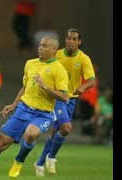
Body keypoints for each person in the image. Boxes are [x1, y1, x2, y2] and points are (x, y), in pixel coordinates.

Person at [0, 37, 69, 180]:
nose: (40, 48)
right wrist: (14, 105)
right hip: (23, 109)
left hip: (43, 114)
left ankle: (19, 159)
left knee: (31, 134)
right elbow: (25, 87)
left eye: (44, 46)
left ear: (53, 50)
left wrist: (45, 86)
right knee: (0, 143)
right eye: (39, 45)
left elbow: (64, 96)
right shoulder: (30, 64)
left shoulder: (59, 70)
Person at [34, 28, 96, 177]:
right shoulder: (57, 55)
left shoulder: (83, 59)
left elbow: (92, 81)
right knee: (66, 128)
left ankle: (40, 162)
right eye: (68, 38)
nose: (70, 41)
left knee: (56, 132)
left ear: (79, 42)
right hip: (57, 98)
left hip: (71, 100)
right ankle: (52, 157)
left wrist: (83, 86)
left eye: (74, 39)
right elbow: (43, 64)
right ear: (65, 40)